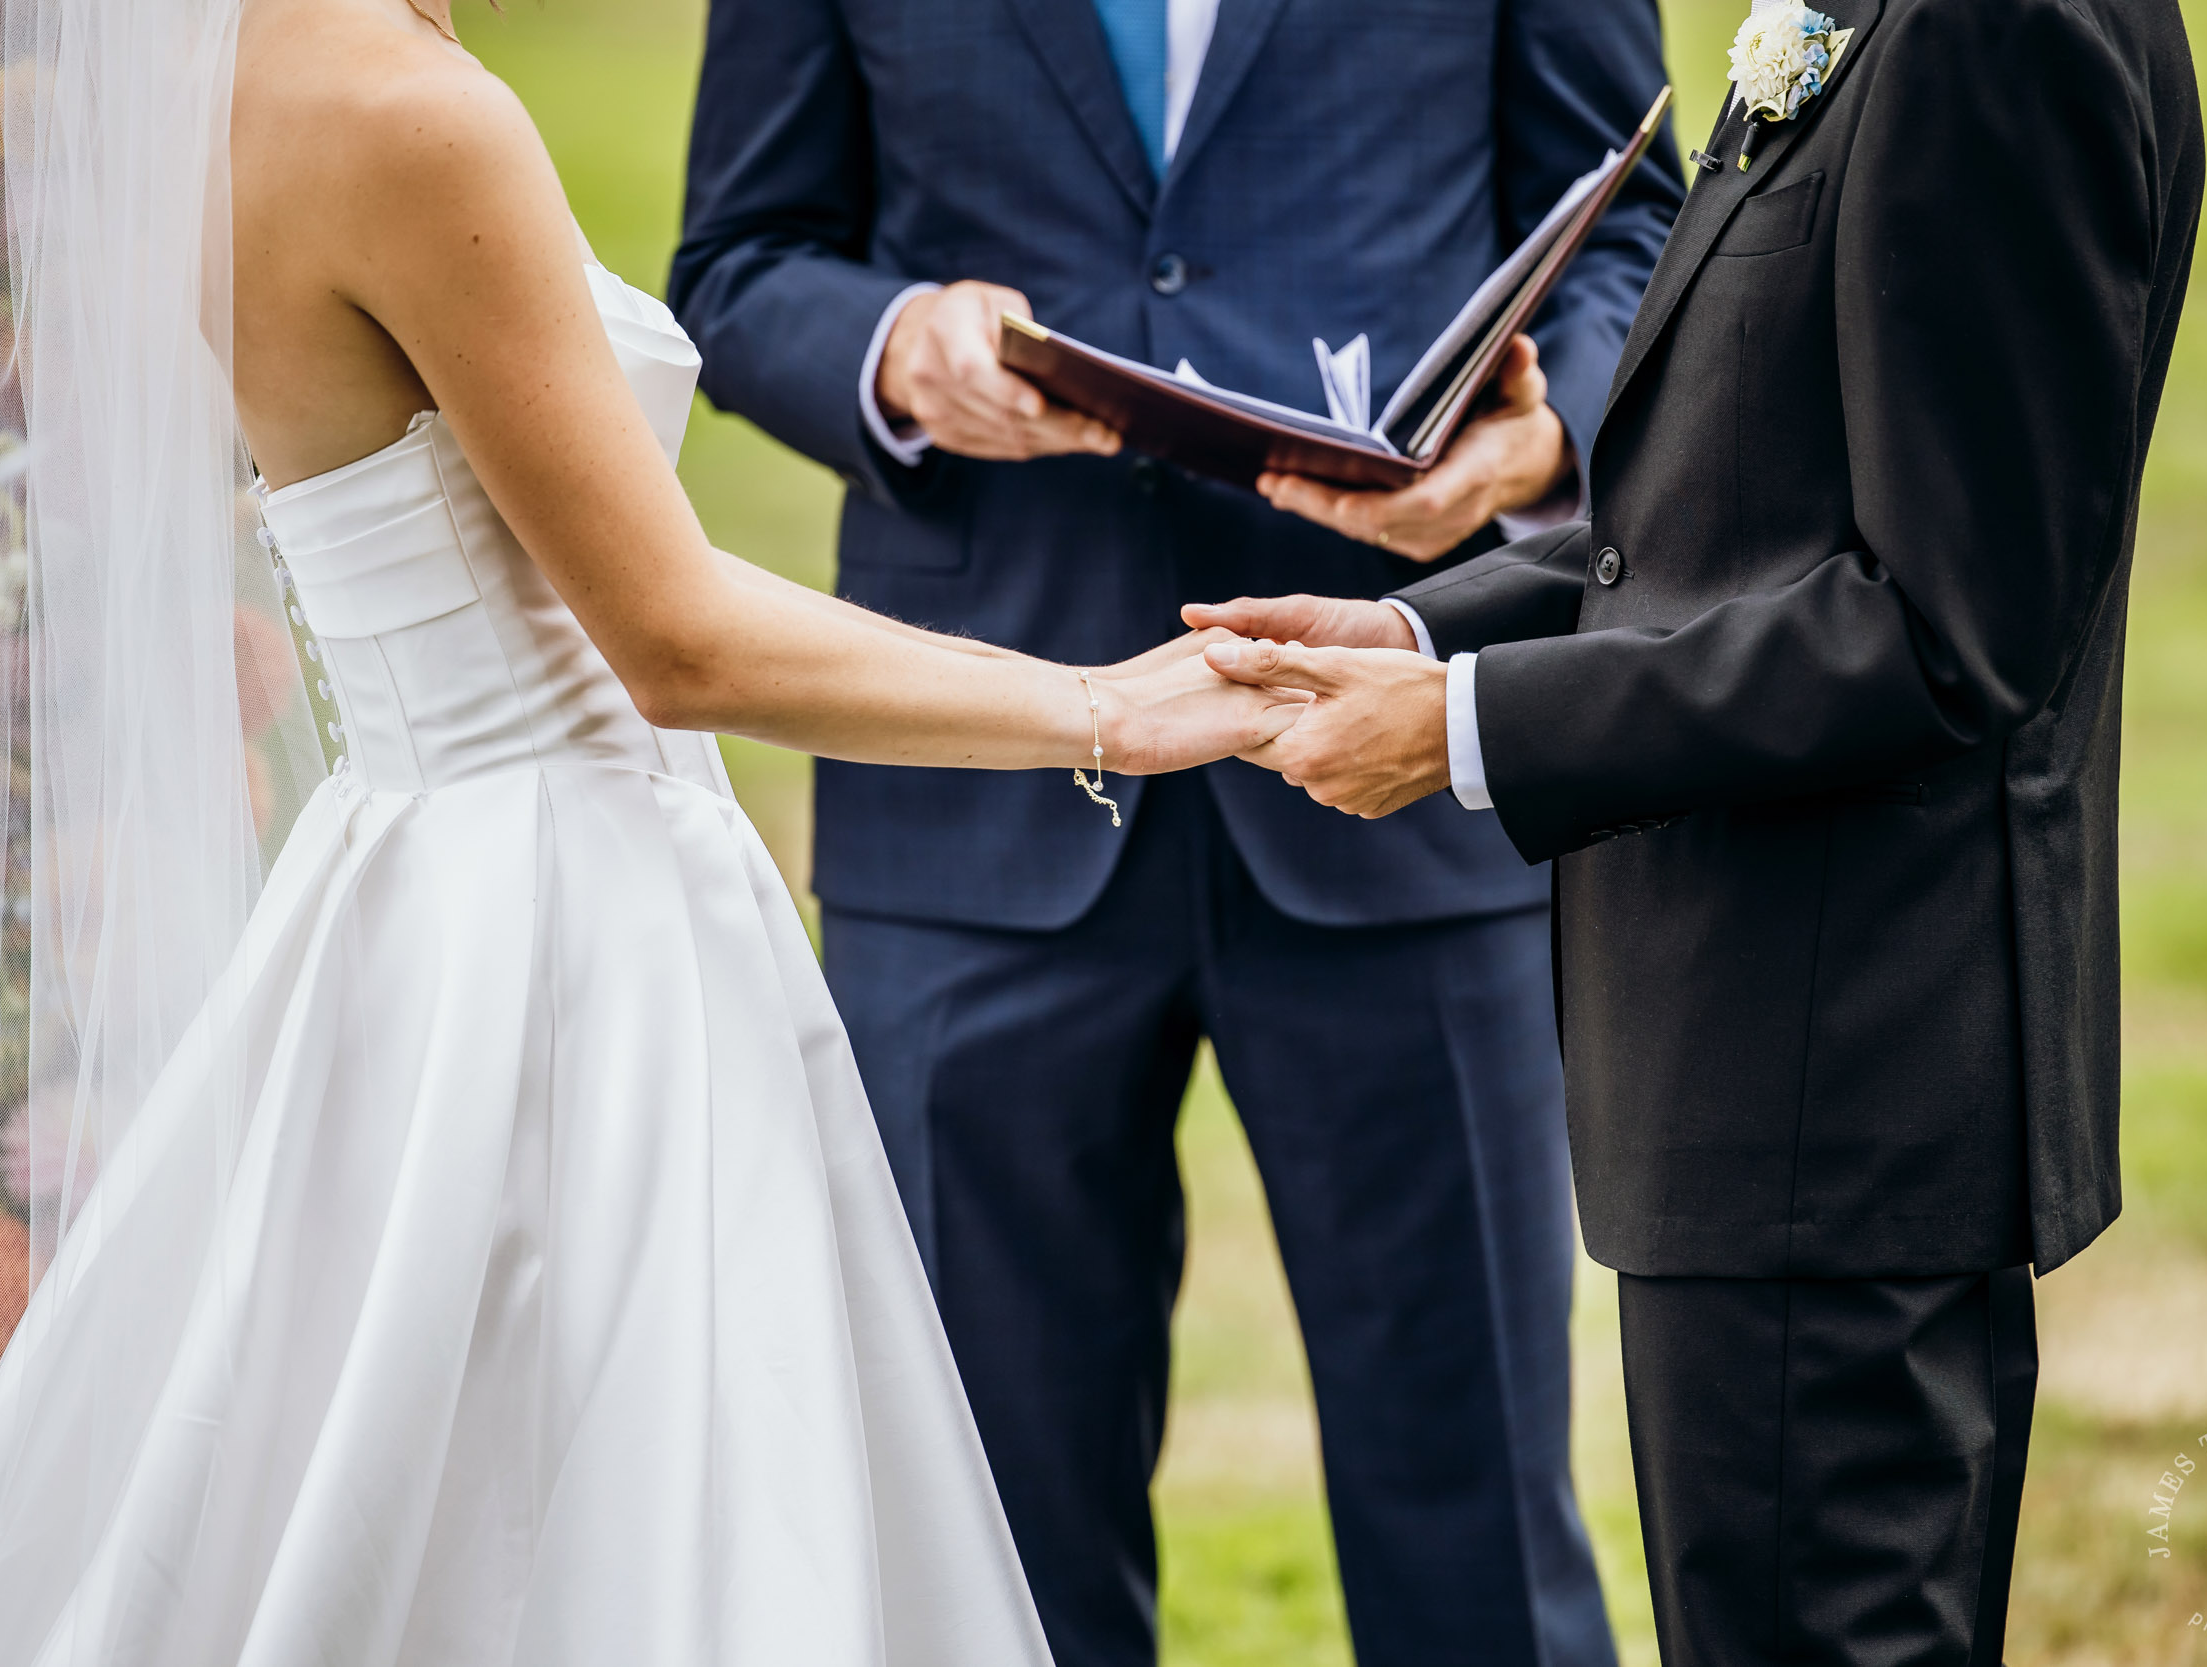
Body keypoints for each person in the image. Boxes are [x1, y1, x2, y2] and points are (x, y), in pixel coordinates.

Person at [0, 0, 1298, 1657]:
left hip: (403, 882)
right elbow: (674, 640)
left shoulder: (225, 93)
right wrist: (1105, 710)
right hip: (569, 931)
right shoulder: (407, 111)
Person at [1192, 0, 2205, 1662]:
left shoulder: (1995, 30)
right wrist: (1424, 635)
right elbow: (1727, 514)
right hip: (1758, 1092)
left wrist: (1465, 735)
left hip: (1841, 1084)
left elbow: (1943, 626)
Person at [669, 5, 1679, 1662]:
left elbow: (1631, 206)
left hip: (1399, 749)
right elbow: (742, 260)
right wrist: (897, 348)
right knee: (987, 1535)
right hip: (975, 790)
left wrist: (1546, 431)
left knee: (1480, 1522)